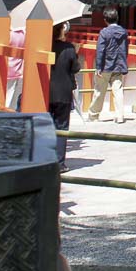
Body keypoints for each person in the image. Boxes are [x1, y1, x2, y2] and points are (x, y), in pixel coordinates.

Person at [88, 7, 129, 123]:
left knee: (100, 91)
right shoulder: (124, 32)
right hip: (119, 65)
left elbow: (100, 50)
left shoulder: (104, 32)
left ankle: (93, 115)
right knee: (118, 90)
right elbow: (125, 49)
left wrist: (98, 67)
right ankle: (120, 116)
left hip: (106, 65)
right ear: (117, 18)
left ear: (105, 20)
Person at [48, 21, 80, 168]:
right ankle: (59, 163)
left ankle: (45, 159)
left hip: (46, 90)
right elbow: (75, 68)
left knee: (46, 126)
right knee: (61, 127)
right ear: (62, 30)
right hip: (63, 91)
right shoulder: (68, 48)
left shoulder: (45, 46)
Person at [4, 26, 26, 111]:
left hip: (5, 69)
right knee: (12, 97)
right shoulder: (24, 34)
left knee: (3, 97)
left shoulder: (8, 34)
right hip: (17, 70)